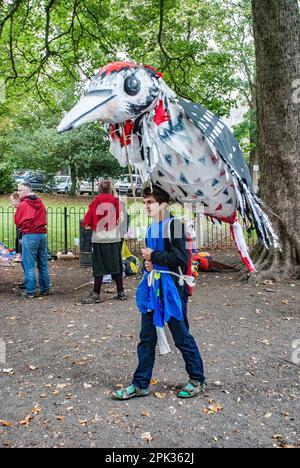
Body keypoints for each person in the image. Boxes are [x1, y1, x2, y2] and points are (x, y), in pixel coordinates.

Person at [112, 184, 206, 400]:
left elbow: (181, 259)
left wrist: (154, 256)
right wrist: (149, 265)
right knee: (146, 337)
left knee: (181, 335)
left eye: (150, 202)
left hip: (172, 289)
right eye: (144, 203)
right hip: (153, 288)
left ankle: (197, 379)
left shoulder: (175, 226)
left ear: (163, 203)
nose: (146, 206)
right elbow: (152, 261)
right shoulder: (151, 228)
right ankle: (140, 384)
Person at [81, 180, 127, 304]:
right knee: (116, 265)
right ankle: (121, 292)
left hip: (99, 238)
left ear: (99, 189)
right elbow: (121, 219)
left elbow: (87, 220)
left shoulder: (95, 202)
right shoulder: (116, 202)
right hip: (113, 237)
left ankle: (96, 294)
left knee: (99, 266)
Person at [15, 183, 50, 298]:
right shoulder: (40, 203)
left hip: (30, 235)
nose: (18, 192)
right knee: (43, 264)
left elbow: (18, 221)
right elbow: (44, 216)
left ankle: (30, 291)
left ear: (26, 191)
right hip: (42, 235)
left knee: (29, 264)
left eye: (20, 190)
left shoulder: (23, 204)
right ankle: (45, 289)